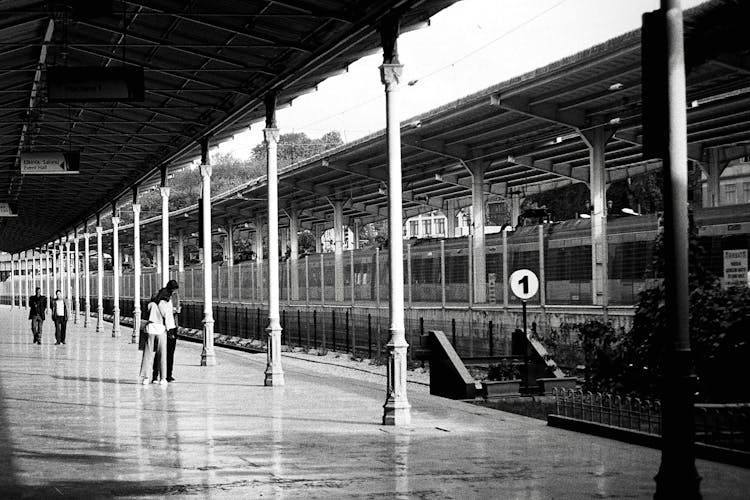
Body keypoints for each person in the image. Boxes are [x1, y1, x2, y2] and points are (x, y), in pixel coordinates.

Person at [139, 289, 170, 385]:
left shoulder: (150, 305)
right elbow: (166, 316)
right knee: (162, 354)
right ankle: (163, 378)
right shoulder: (163, 304)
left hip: (150, 330)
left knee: (147, 354)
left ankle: (146, 377)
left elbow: (147, 316)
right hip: (161, 330)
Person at [153, 280, 180, 383]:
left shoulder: (161, 297)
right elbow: (166, 315)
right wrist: (170, 331)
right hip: (168, 329)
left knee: (158, 353)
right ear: (173, 289)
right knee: (168, 353)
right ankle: (167, 375)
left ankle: (156, 374)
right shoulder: (165, 299)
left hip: (162, 328)